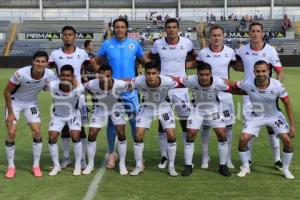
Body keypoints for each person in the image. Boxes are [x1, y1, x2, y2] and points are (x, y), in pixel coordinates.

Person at [95, 17, 148, 169]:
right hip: (111, 90)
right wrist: (101, 75)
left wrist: (144, 76)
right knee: (112, 123)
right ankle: (112, 154)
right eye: (116, 27)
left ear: (126, 29)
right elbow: (96, 62)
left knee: (134, 122)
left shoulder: (134, 44)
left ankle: (139, 157)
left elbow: (144, 61)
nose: (119, 29)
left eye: (122, 27)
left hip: (130, 90)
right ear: (113, 29)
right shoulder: (107, 44)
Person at [229, 60, 295, 179]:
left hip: (274, 116)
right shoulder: (248, 83)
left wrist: (292, 126)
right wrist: (214, 84)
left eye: (263, 71)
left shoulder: (277, 85)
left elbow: (287, 103)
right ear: (254, 72)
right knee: (243, 139)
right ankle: (245, 167)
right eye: (258, 71)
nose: (260, 74)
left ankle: (285, 169)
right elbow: (232, 86)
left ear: (268, 71)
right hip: (256, 116)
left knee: (288, 142)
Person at [235, 22, 285, 170]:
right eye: (252, 31)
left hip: (267, 96)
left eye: (258, 31)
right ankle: (248, 160)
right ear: (249, 33)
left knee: (272, 128)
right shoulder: (242, 50)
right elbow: (236, 65)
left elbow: (280, 71)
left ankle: (277, 160)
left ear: (262, 33)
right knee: (248, 128)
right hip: (249, 97)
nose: (255, 34)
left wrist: (276, 87)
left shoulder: (270, 51)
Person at [148, 18, 196, 169]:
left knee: (185, 122)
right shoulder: (158, 44)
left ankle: (185, 157)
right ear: (165, 29)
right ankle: (164, 156)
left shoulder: (187, 43)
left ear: (178, 29)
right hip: (163, 89)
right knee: (163, 123)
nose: (171, 30)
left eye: (174, 27)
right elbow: (150, 59)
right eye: (168, 27)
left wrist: (185, 67)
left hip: (181, 89)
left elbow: (195, 59)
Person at [3, 51, 56, 178]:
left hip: (31, 104)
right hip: (15, 103)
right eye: (37, 61)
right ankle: (11, 167)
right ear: (33, 61)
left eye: (43, 62)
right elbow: (7, 92)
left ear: (47, 63)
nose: (40, 64)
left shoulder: (50, 74)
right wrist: (10, 113)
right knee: (11, 132)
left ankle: (36, 166)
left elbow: (47, 87)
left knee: (37, 131)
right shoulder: (21, 73)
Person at [49, 26, 92, 170]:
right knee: (64, 127)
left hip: (78, 95)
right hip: (61, 95)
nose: (67, 37)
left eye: (70, 35)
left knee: (81, 128)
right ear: (62, 37)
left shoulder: (82, 53)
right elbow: (47, 71)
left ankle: (83, 159)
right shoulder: (55, 54)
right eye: (65, 35)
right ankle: (66, 158)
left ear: (75, 37)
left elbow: (90, 68)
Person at [194, 25, 237, 169]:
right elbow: (197, 71)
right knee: (206, 128)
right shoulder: (203, 53)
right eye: (214, 35)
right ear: (210, 37)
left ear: (223, 36)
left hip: (225, 95)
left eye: (219, 35)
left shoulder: (230, 52)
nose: (216, 38)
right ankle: (205, 157)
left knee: (228, 127)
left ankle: (227, 158)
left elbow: (237, 66)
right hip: (207, 96)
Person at [180, 62, 231, 177]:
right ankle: (188, 165)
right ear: (197, 74)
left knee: (222, 134)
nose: (204, 77)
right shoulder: (190, 80)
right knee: (190, 134)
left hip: (214, 109)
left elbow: (230, 87)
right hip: (197, 109)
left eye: (206, 75)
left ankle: (223, 165)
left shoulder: (218, 82)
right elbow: (177, 81)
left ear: (211, 74)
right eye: (201, 75)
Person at [129, 61, 178, 177]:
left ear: (159, 73)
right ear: (144, 73)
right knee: (138, 135)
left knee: (171, 135)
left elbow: (182, 82)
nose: (151, 76)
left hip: (164, 107)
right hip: (147, 107)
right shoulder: (138, 81)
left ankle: (171, 165)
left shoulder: (168, 81)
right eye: (148, 73)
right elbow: (124, 82)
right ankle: (138, 165)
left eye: (154, 73)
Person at [83, 65, 130, 175]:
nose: (105, 78)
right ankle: (90, 164)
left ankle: (122, 163)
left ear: (111, 75)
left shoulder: (120, 84)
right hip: (100, 108)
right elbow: (83, 90)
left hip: (116, 108)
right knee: (92, 133)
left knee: (121, 133)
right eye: (102, 75)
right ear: (98, 75)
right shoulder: (91, 84)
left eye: (108, 76)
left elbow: (132, 88)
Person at [48, 65, 85, 176]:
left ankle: (78, 165)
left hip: (73, 115)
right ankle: (56, 166)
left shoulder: (79, 89)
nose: (65, 78)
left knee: (75, 137)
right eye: (63, 75)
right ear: (59, 76)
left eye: (68, 76)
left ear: (73, 76)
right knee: (52, 137)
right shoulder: (53, 85)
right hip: (58, 116)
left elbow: (82, 101)